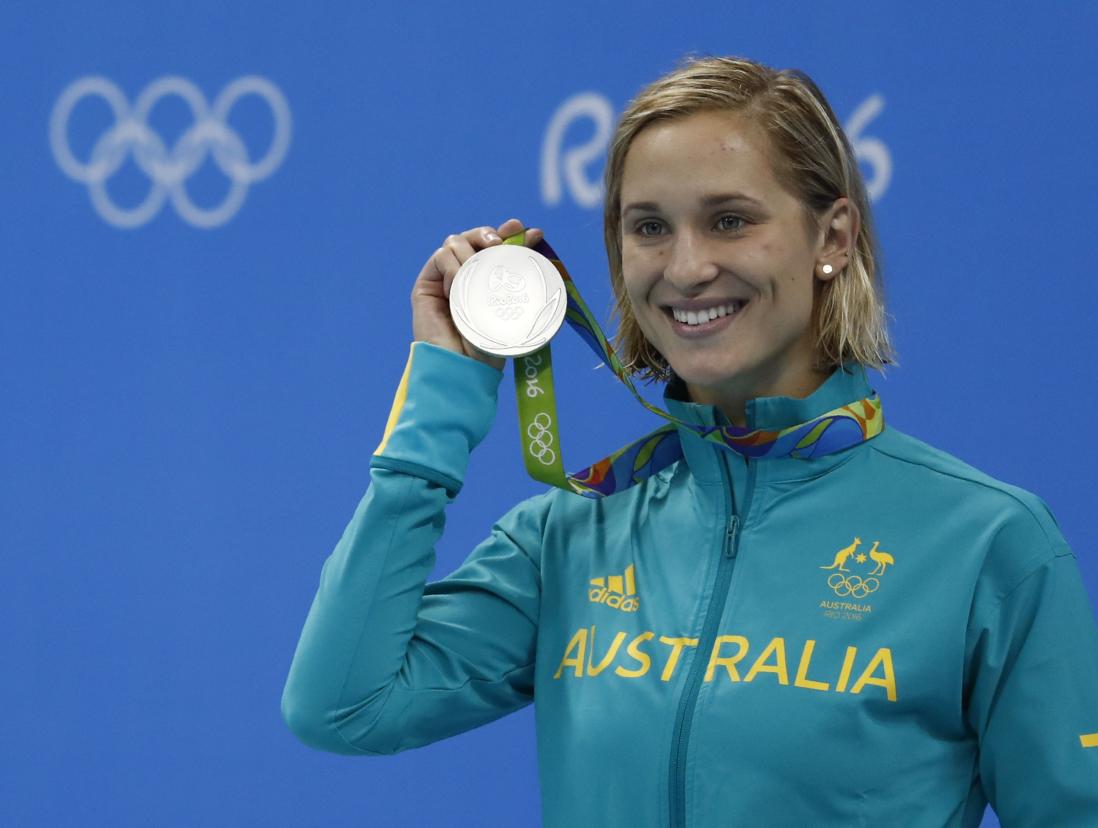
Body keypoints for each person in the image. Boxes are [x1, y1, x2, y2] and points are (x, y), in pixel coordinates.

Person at [281, 55, 1098, 826]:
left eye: (730, 220)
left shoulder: (987, 543)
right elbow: (342, 706)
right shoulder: (572, 535)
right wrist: (445, 389)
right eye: (649, 228)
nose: (686, 267)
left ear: (834, 238)